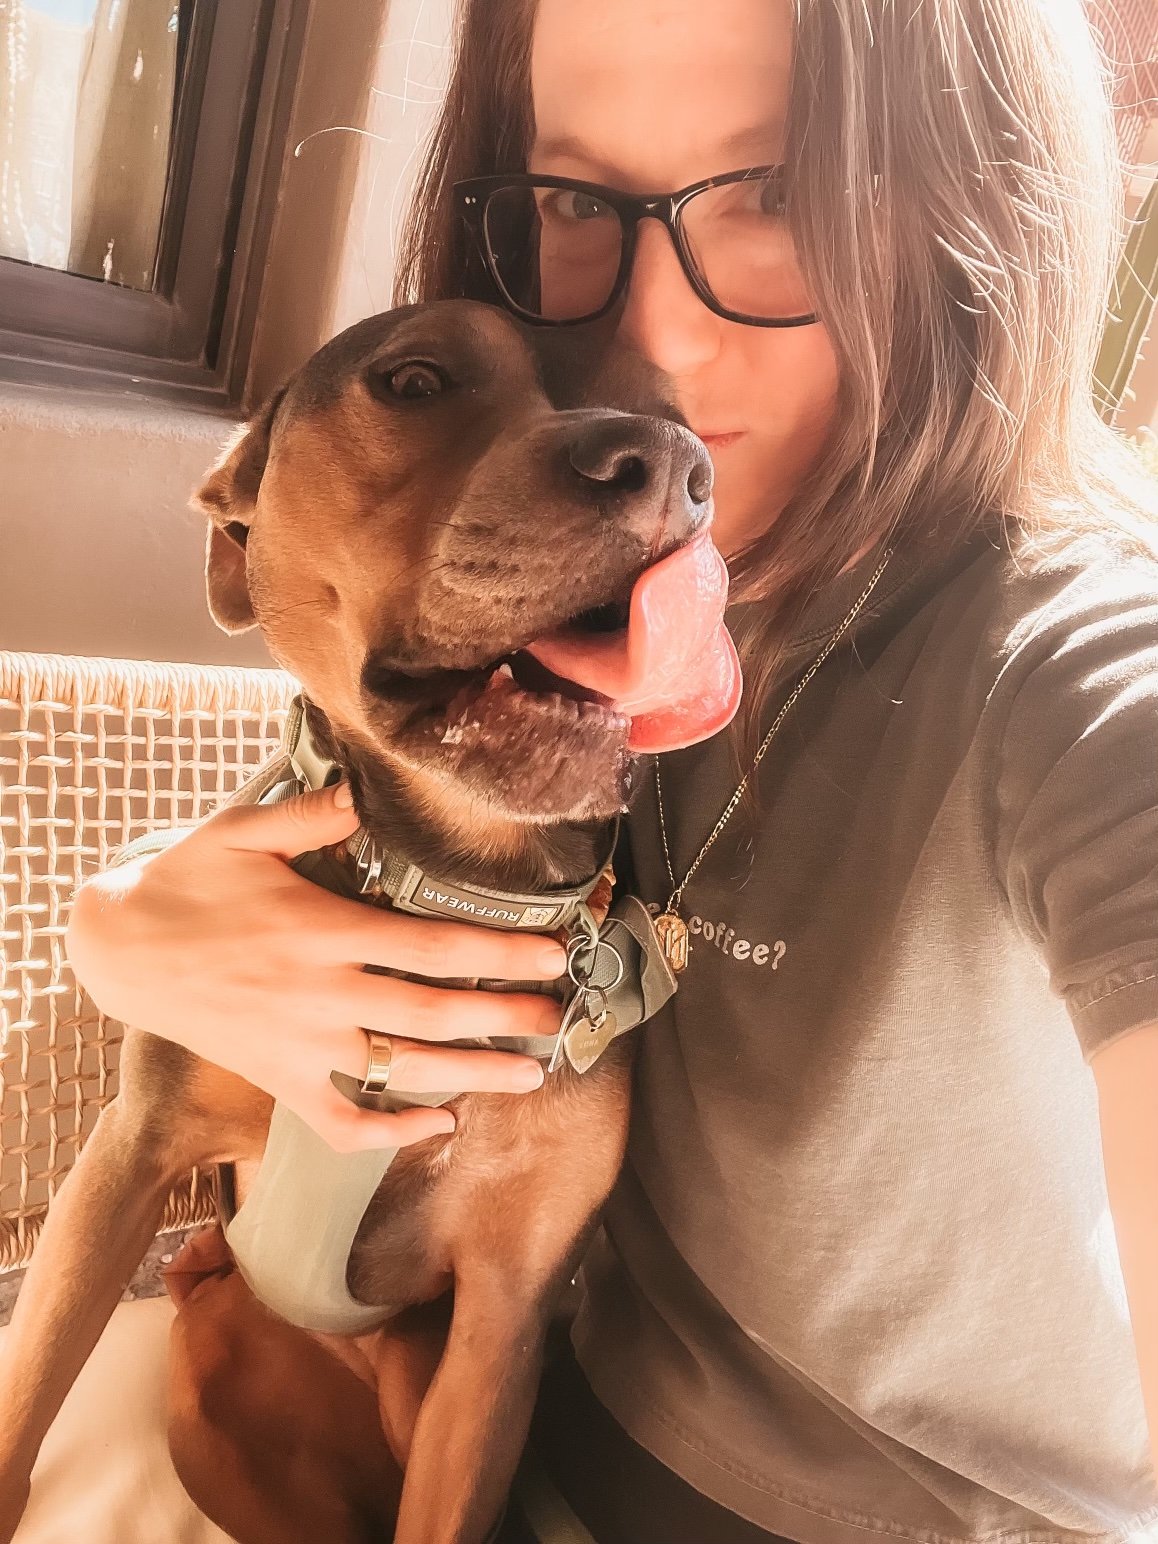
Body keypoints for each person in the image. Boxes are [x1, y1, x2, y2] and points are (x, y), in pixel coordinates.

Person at [64, 0, 1158, 1541]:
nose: (657, 338)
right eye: (576, 201)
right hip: (520, 1433)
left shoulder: (1079, 668)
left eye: (779, 192)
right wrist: (116, 927)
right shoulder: (603, 598)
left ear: (976, 200)